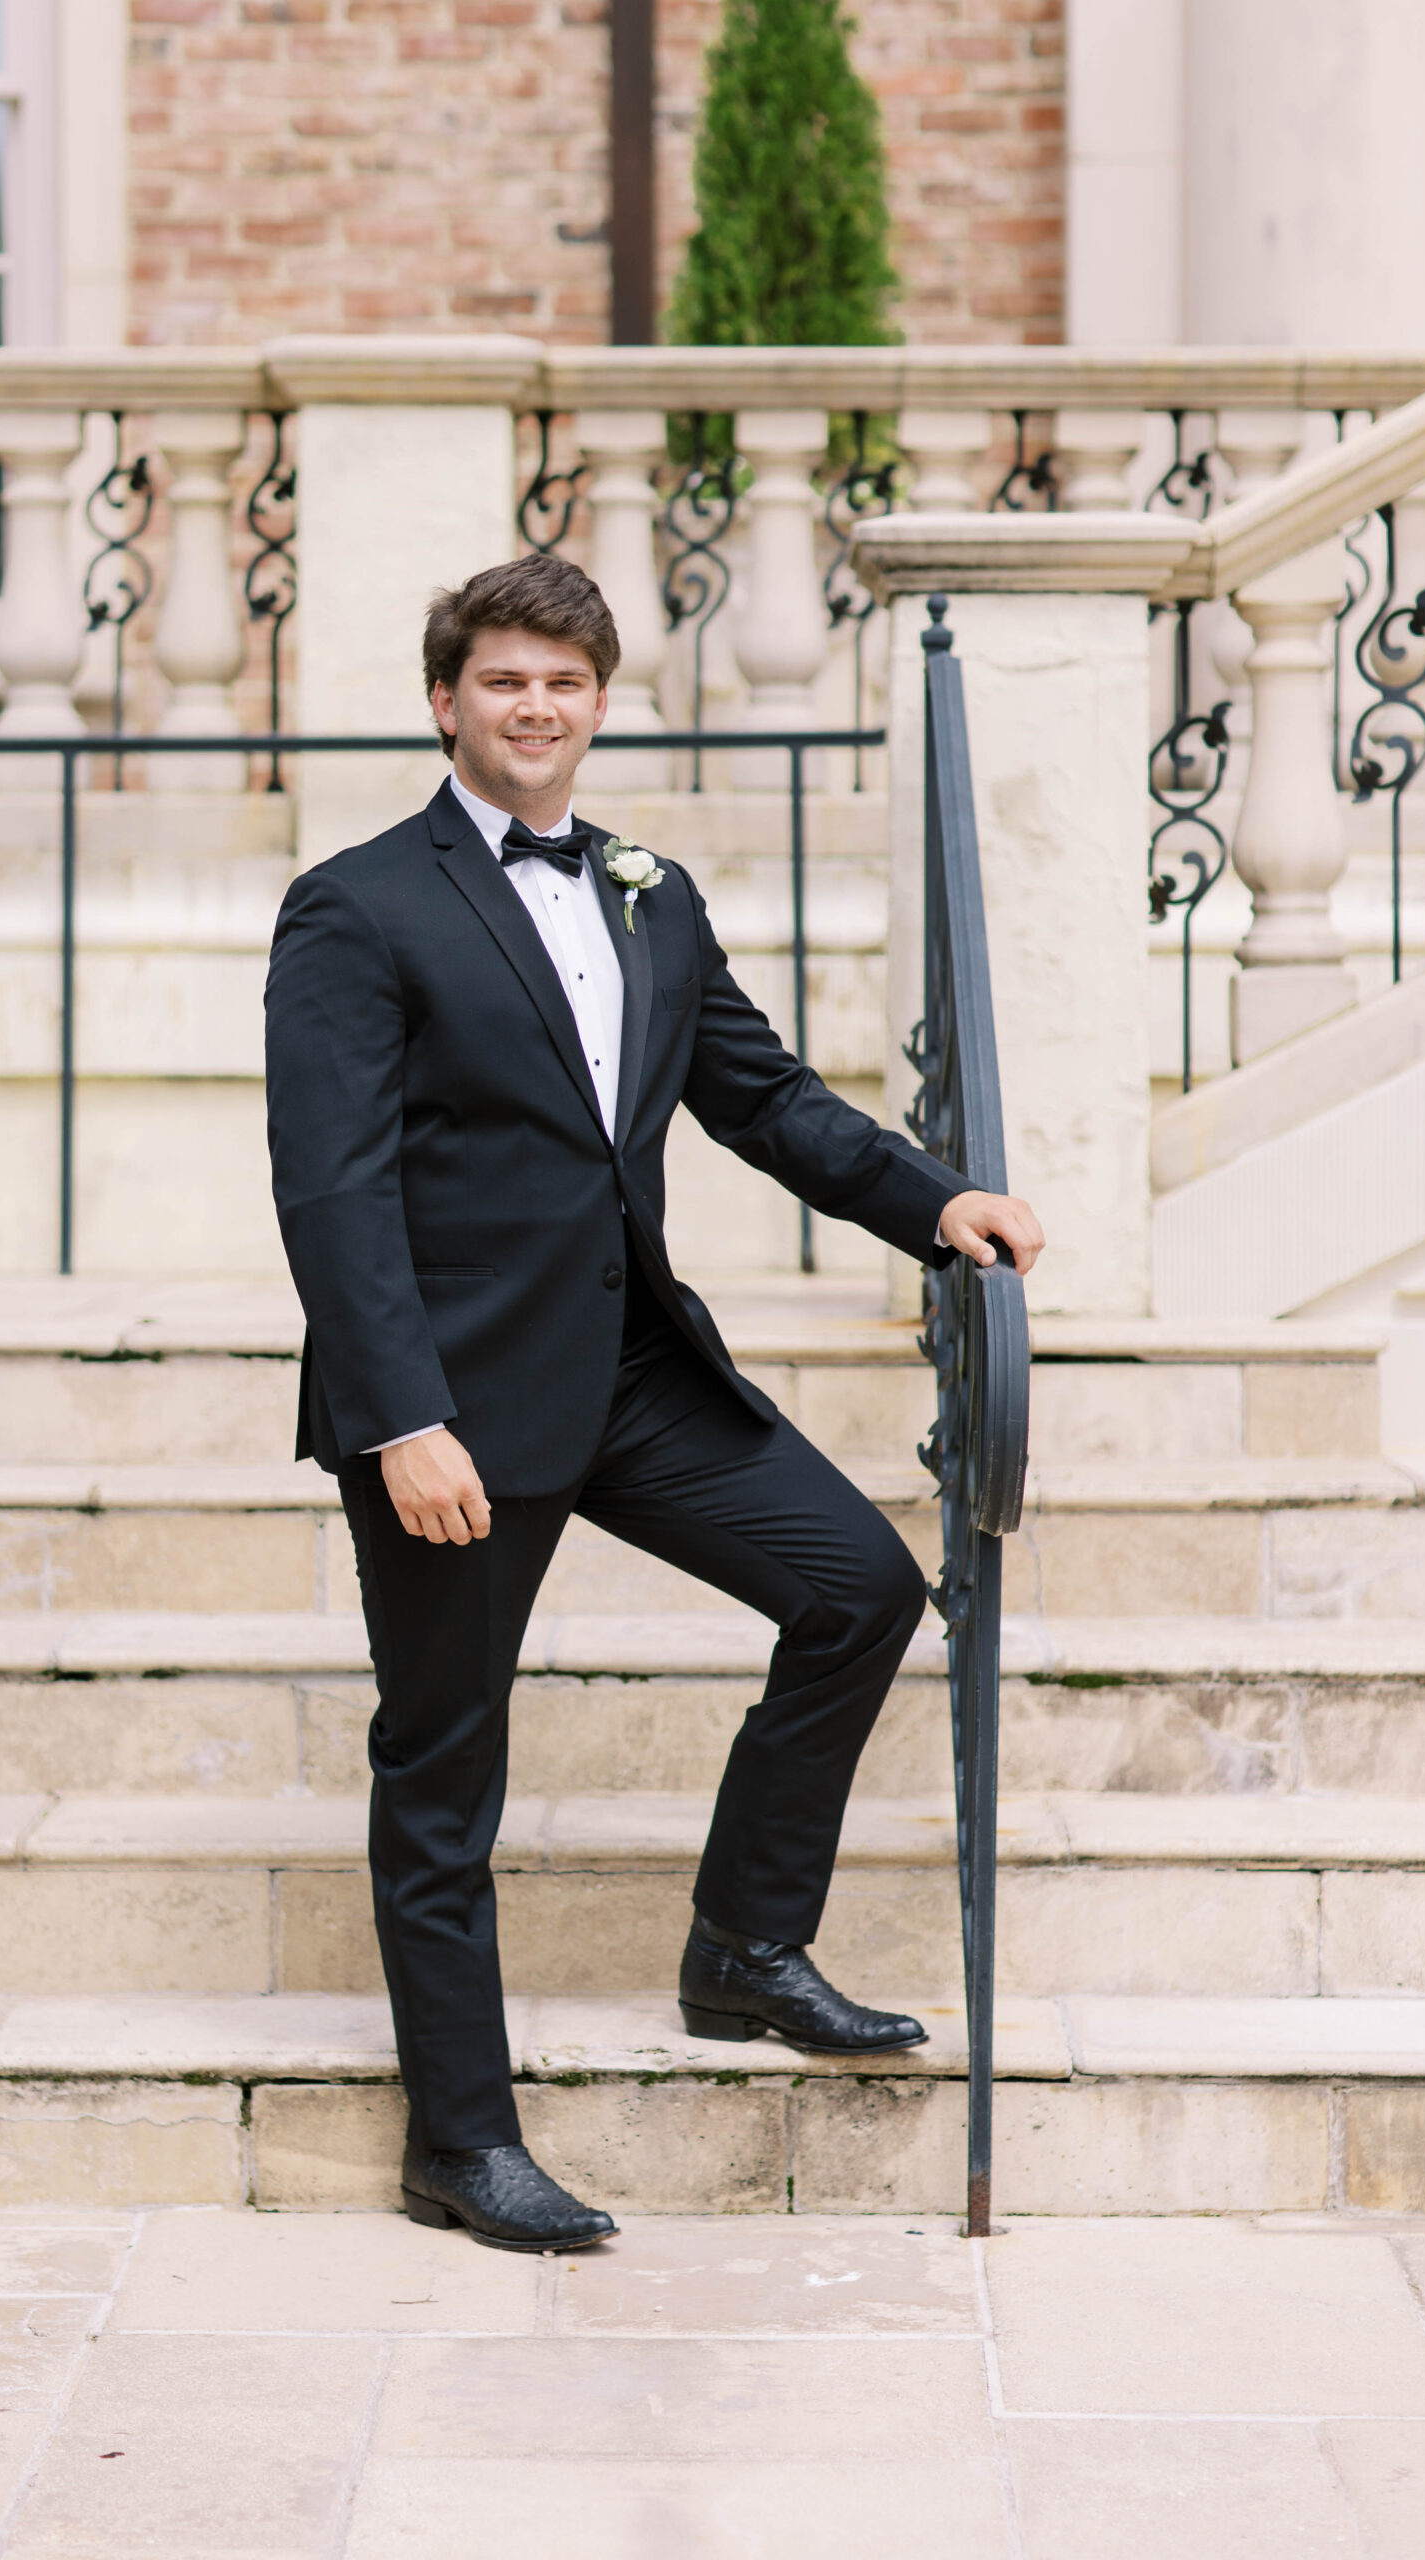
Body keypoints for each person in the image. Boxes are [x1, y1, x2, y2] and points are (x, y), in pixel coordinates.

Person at [264, 554, 1044, 2255]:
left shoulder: (649, 893)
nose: (535, 708)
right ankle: (461, 2143)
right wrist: (402, 1419)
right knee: (445, 1763)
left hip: (632, 1371)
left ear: (600, 702)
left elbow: (763, 1099)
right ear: (446, 701)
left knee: (856, 1589)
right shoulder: (357, 904)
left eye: (565, 681)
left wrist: (934, 1201)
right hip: (454, 1408)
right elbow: (333, 1190)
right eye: (502, 681)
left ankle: (741, 1948)